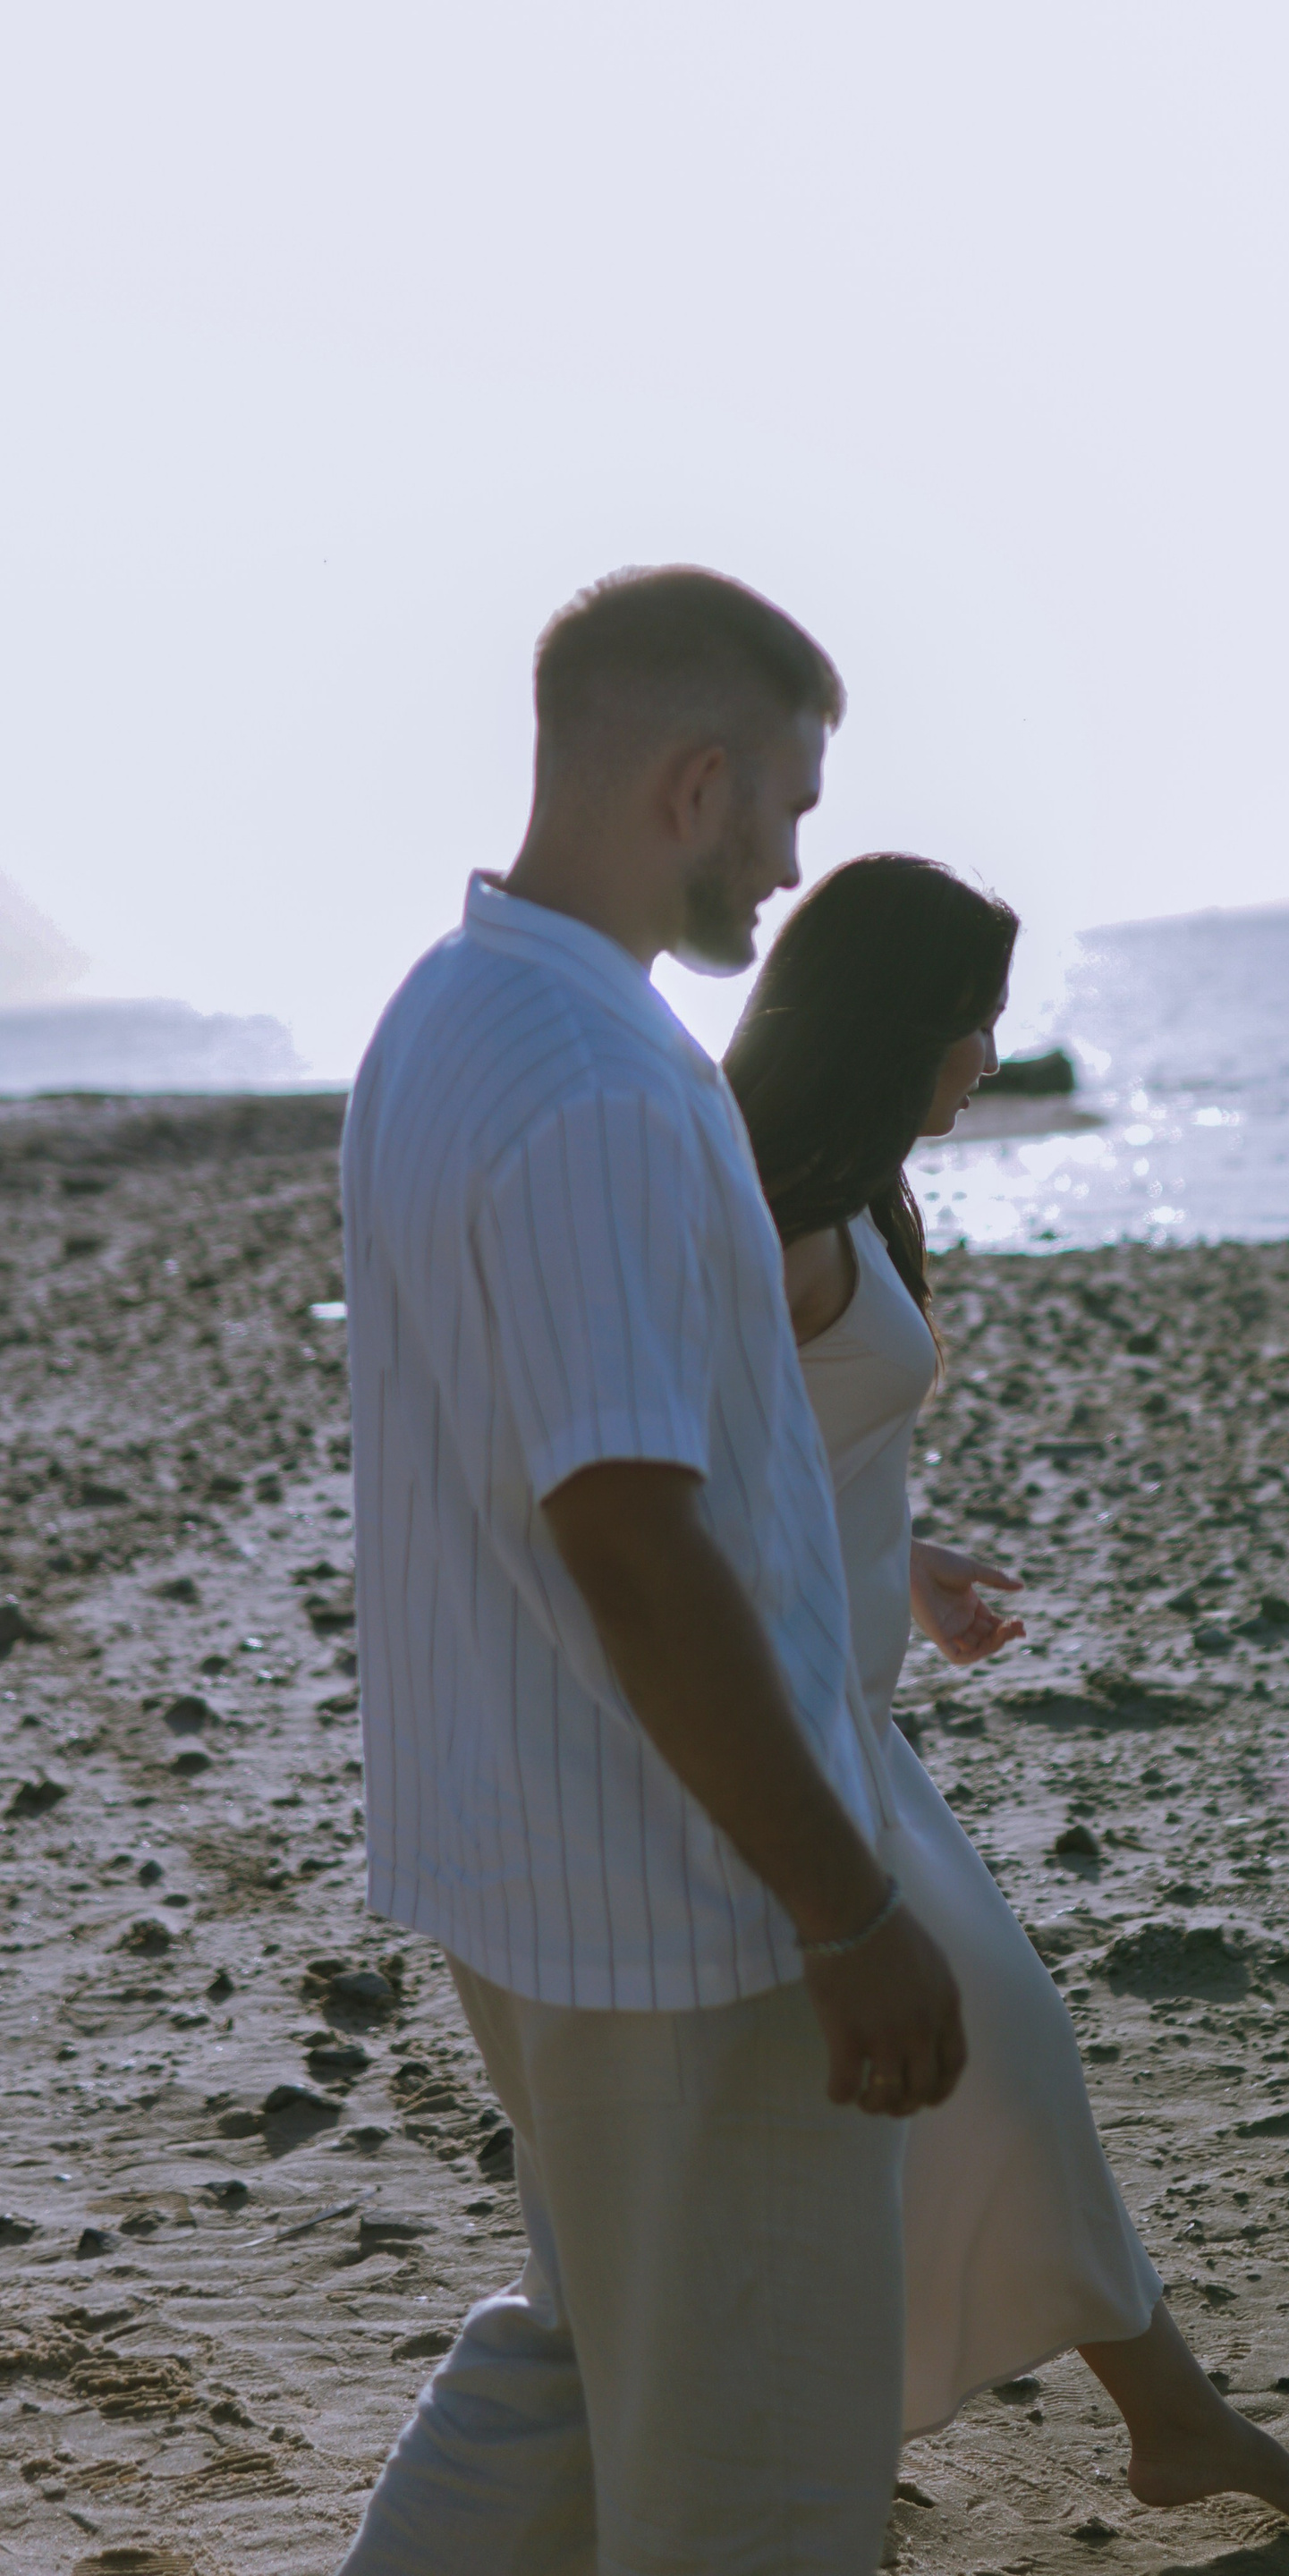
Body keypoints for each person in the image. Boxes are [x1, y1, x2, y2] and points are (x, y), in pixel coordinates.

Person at [335, 572, 967, 2576]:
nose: (789, 866)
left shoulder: (450, 1008)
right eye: (786, 807)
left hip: (533, 1872)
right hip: (686, 1921)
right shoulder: (601, 1078)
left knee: (596, 2366)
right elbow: (624, 1533)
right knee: (753, 2499)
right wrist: (847, 1906)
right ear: (696, 783)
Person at [724, 852, 1289, 2521]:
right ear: (897, 1024)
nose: (994, 1057)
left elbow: (807, 1442)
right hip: (778, 1739)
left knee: (997, 2061)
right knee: (957, 2065)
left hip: (849, 1715)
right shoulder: (764, 1216)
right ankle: (841, 2449)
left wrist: (906, 1556)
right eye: (976, 1019)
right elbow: (681, 1488)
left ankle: (1168, 2423)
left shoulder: (848, 1195)